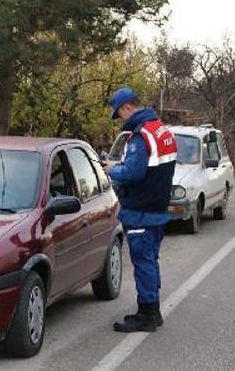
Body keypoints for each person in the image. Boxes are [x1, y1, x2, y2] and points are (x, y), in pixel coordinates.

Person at [105, 87, 177, 332]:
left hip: (140, 210)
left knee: (143, 262)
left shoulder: (140, 135)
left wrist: (112, 169)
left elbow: (133, 173)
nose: (120, 120)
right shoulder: (162, 130)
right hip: (157, 208)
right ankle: (152, 311)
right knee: (150, 260)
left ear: (127, 108)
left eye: (120, 114)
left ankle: (146, 315)